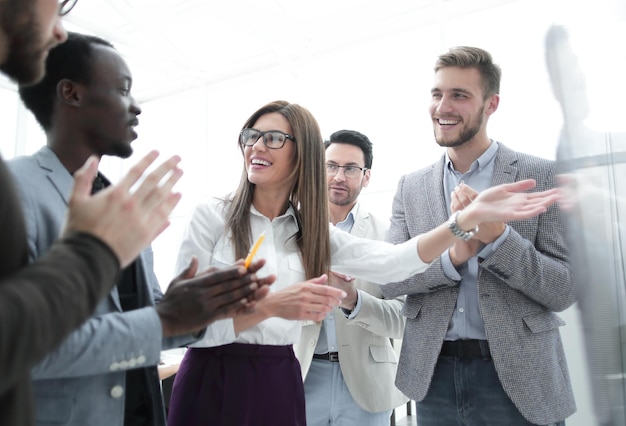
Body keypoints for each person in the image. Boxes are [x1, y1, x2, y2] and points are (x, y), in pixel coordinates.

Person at [166, 99, 563, 426]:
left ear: (301, 151)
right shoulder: (211, 216)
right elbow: (184, 325)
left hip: (277, 377)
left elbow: (394, 262)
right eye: (251, 137)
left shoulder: (311, 231)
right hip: (214, 375)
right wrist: (270, 307)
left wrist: (463, 222)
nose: (256, 146)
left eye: (272, 138)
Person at [9, 31, 275, 426]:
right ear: (71, 93)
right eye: (123, 90)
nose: (136, 107)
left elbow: (145, 322)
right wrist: (165, 318)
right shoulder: (15, 191)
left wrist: (197, 309)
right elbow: (19, 345)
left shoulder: (121, 204)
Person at [381, 46, 576, 426]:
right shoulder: (411, 186)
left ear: (491, 104)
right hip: (433, 376)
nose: (443, 107)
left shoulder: (541, 176)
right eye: (437, 94)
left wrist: (498, 240)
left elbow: (563, 289)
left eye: (459, 95)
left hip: (520, 377)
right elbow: (390, 278)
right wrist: (452, 259)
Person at [296, 129, 408, 425]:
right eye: (330, 166)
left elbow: (403, 318)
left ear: (366, 176)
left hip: (367, 385)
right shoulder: (290, 231)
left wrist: (354, 300)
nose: (338, 176)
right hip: (303, 378)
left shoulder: (387, 236)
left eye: (350, 168)